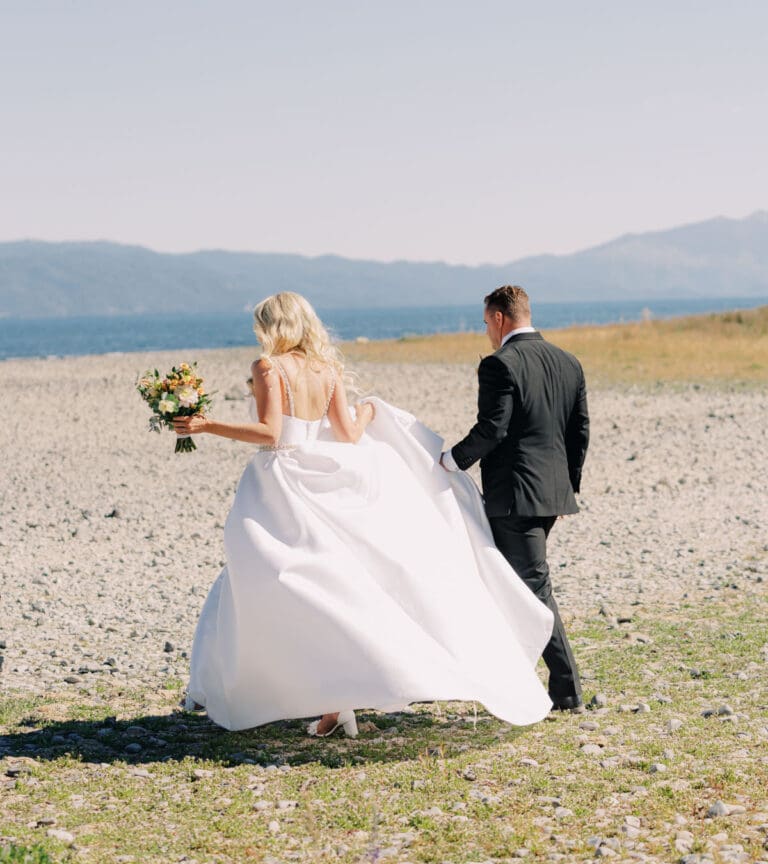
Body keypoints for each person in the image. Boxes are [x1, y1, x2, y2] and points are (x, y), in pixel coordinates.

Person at [173, 291, 555, 735]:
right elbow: (350, 434)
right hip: (327, 474)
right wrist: (371, 410)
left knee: (270, 579)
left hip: (283, 483)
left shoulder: (267, 367)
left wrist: (204, 425)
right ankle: (336, 701)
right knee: (333, 584)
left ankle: (270, 688)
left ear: (272, 325)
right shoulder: (327, 369)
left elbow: (271, 433)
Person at [440, 285, 589, 712]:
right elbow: (579, 431)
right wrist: (566, 487)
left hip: (515, 498)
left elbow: (493, 429)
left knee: (532, 589)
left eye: (486, 321)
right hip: (551, 493)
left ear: (500, 318)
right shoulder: (568, 361)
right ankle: (511, 677)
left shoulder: (499, 364)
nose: (486, 330)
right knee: (518, 586)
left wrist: (450, 461)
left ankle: (567, 690)